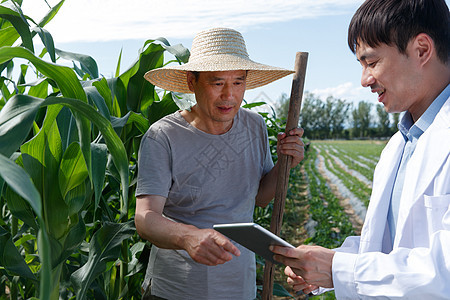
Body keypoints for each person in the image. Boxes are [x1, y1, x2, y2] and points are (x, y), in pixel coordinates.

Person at [271, 0, 450, 299]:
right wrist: (327, 266)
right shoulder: (400, 144)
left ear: (421, 50)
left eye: (371, 62)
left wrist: (341, 270)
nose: (365, 80)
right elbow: (385, 246)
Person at [134, 27, 304, 300]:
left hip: (239, 286)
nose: (229, 95)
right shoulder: (163, 136)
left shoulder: (254, 126)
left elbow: (259, 197)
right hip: (176, 289)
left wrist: (286, 163)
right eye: (217, 83)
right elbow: (145, 218)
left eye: (238, 82)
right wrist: (188, 237)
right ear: (192, 82)